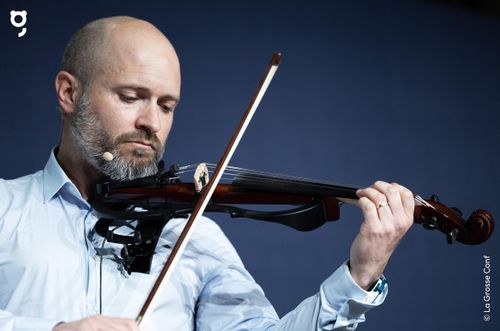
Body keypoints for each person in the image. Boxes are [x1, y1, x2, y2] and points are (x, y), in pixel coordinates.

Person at [0, 16, 414, 331]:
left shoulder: (190, 233)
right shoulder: (6, 208)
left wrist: (360, 275)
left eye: (166, 106)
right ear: (69, 93)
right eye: (131, 97)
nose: (152, 122)